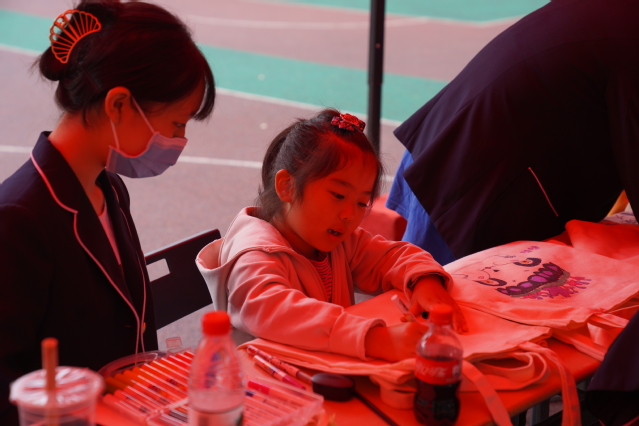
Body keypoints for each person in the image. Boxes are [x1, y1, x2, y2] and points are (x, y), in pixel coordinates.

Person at [0, 1, 215, 423]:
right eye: (177, 124)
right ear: (118, 105)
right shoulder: (18, 218)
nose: (180, 140)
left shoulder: (109, 187)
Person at [197, 109, 467, 363]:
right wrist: (375, 339)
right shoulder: (254, 255)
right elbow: (273, 311)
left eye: (361, 203)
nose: (350, 215)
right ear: (287, 186)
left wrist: (423, 280)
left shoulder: (338, 241)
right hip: (262, 384)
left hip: (324, 373)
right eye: (338, 195)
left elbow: (394, 256)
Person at [387, 0, 639, 261]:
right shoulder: (630, 36)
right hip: (471, 177)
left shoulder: (617, 14)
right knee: (429, 279)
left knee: (421, 274)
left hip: (453, 147)